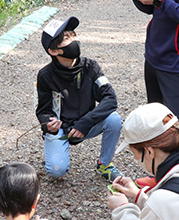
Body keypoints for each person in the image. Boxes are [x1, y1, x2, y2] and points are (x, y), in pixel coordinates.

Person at [36, 16, 124, 181]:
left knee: (114, 120)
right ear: (53, 51)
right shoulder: (45, 75)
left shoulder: (91, 67)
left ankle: (104, 164)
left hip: (87, 123)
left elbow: (110, 98)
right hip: (62, 130)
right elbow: (43, 110)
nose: (74, 41)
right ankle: (55, 147)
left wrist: (86, 122)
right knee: (57, 170)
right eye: (66, 39)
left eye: (74, 35)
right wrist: (48, 123)